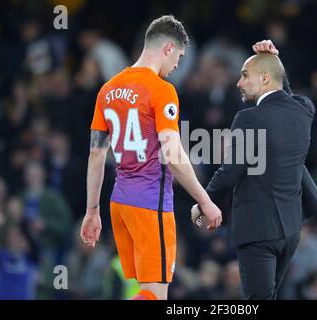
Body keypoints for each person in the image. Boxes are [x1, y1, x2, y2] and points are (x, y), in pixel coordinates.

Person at [80, 15, 222, 301]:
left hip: (118, 203)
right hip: (149, 204)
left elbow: (96, 154)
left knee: (144, 292)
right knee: (155, 297)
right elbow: (171, 153)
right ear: (168, 48)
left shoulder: (108, 90)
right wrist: (205, 201)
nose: (178, 65)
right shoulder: (162, 90)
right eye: (179, 56)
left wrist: (92, 211)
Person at [192, 40, 316, 299]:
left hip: (258, 229)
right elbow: (288, 97)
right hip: (291, 230)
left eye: (245, 75)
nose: (239, 82)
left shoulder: (248, 117)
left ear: (265, 78)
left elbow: (231, 170)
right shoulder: (304, 111)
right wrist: (275, 61)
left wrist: (203, 201)